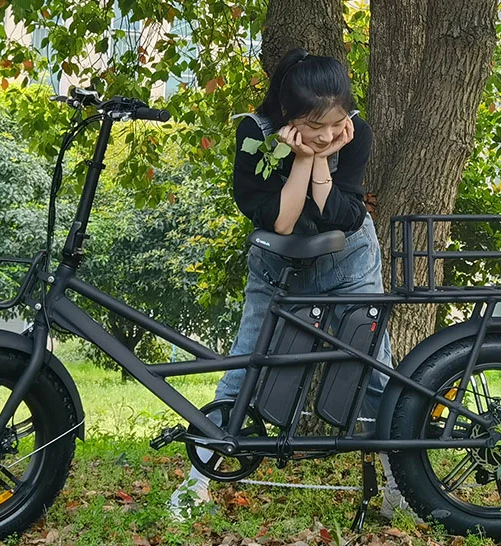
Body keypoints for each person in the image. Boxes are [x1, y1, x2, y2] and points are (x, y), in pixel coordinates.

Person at [168, 48, 407, 520]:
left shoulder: (357, 135)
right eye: (313, 127)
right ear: (286, 114)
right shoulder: (254, 135)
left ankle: (402, 488)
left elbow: (343, 213)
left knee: (375, 370)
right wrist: (302, 159)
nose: (326, 134)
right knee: (244, 369)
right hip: (278, 269)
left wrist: (322, 161)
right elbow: (280, 221)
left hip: (350, 263)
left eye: (334, 124)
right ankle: (197, 486)